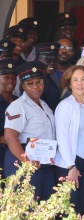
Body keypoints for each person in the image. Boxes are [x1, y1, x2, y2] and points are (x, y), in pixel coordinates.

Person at [4, 61, 56, 201]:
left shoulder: (44, 105)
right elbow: (10, 137)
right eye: (30, 83)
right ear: (23, 86)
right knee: (27, 208)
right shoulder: (18, 106)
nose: (35, 87)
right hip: (23, 161)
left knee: (46, 207)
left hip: (44, 162)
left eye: (39, 82)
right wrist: (26, 161)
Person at [55, 65, 84, 214]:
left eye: (83, 79)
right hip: (72, 164)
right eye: (75, 80)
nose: (80, 83)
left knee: (81, 207)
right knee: (69, 208)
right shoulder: (65, 106)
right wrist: (71, 166)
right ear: (69, 84)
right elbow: (61, 138)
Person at [0, 59, 19, 181]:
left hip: (16, 156)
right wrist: (9, 139)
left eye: (13, 78)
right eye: (6, 77)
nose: (10, 81)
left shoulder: (19, 101)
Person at [35, 42, 61, 112]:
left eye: (55, 60)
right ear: (38, 59)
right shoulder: (32, 81)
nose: (52, 63)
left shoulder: (50, 77)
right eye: (48, 60)